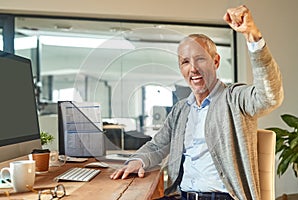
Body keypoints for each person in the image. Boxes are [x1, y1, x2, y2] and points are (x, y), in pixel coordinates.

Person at [110, 5, 283, 200]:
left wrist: (253, 37)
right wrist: (138, 161)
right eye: (185, 62)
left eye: (200, 59)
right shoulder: (181, 110)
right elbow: (157, 146)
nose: (193, 69)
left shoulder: (235, 99)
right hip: (182, 195)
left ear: (215, 62)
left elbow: (270, 96)